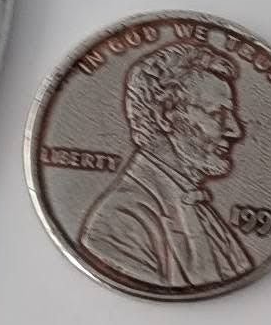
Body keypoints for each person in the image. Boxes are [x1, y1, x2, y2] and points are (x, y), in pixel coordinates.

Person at [78, 39, 255, 291]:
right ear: (164, 117)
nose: (234, 130)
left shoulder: (198, 207)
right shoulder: (121, 222)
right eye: (217, 114)